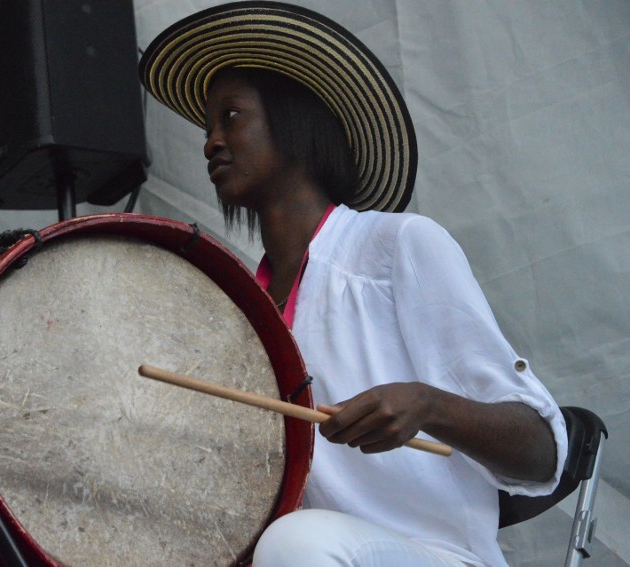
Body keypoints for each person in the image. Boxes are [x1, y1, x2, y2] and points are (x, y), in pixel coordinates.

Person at [139, 3, 567, 566]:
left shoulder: (400, 246)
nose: (210, 141)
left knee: (296, 544)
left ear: (297, 124)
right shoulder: (245, 310)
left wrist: (427, 404)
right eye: (208, 126)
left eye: (232, 116)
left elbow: (542, 453)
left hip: (436, 555)